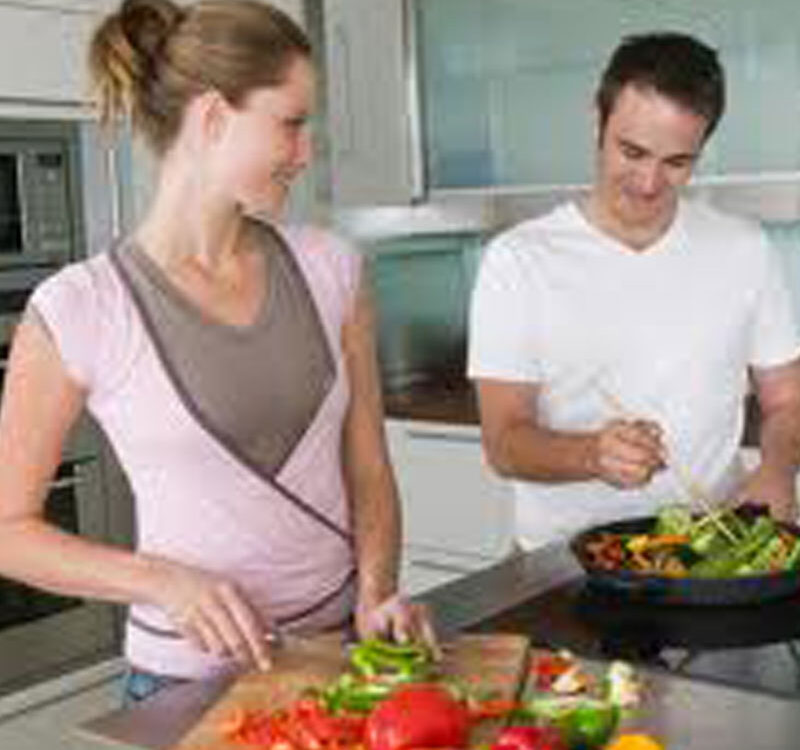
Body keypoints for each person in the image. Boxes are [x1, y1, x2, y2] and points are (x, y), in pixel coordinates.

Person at [0, 0, 433, 700]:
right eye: (290, 123)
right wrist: (164, 582)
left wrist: (377, 592)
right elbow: (8, 530)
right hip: (183, 685)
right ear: (211, 118)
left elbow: (368, 468)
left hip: (339, 666)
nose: (306, 153)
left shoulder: (332, 269)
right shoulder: (82, 307)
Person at [468, 32, 800, 550]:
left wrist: (777, 472)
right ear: (597, 121)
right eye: (632, 152)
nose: (648, 183)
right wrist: (591, 454)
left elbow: (787, 401)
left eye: (677, 163)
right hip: (564, 561)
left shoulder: (745, 249)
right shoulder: (519, 260)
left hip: (711, 553)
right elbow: (504, 442)